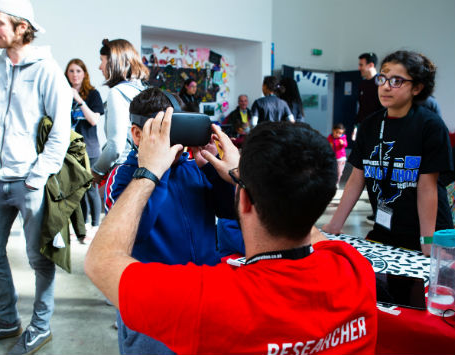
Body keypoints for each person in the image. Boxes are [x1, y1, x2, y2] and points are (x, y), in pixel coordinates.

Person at [85, 114, 378, 354]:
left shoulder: (208, 300)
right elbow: (308, 220)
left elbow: (101, 261)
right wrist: (243, 178)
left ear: (245, 201)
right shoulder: (353, 268)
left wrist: (148, 171)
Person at [0, 1, 72, 354]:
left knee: (39, 258)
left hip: (29, 183)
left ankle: (40, 327)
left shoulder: (48, 72)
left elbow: (60, 133)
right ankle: (8, 319)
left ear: (21, 27)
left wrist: (36, 177)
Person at [104, 87, 235, 354]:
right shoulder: (124, 177)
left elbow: (229, 211)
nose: (170, 141)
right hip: (153, 308)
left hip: (202, 296)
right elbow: (134, 233)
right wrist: (154, 171)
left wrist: (212, 167)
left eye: (173, 130)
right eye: (159, 132)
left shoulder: (192, 169)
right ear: (137, 134)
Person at [323, 50, 454, 256]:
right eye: (383, 78)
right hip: (386, 228)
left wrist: (428, 240)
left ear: (417, 88)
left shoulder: (430, 126)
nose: (385, 86)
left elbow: (427, 188)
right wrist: (334, 224)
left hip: (426, 230)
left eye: (397, 81)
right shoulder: (369, 125)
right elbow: (357, 178)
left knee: (420, 288)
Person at [91, 38, 149, 185]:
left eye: (102, 61)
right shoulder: (143, 90)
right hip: (144, 168)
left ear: (113, 62)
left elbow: (115, 145)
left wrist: (96, 171)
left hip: (123, 171)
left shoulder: (117, 93)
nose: (100, 66)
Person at [65, 58, 104, 242]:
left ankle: (96, 226)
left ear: (84, 74)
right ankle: (82, 226)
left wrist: (78, 99)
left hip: (90, 148)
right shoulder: (62, 93)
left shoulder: (93, 94)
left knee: (90, 189)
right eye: (71, 71)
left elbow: (94, 120)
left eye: (78, 71)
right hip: (70, 148)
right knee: (75, 190)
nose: (75, 75)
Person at [354, 52, 384, 222]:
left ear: (371, 65)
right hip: (366, 133)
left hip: (378, 134)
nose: (359, 68)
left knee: (378, 173)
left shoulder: (380, 83)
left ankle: (382, 210)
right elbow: (361, 109)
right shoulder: (363, 85)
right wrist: (356, 127)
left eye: (361, 64)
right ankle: (376, 209)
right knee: (367, 173)